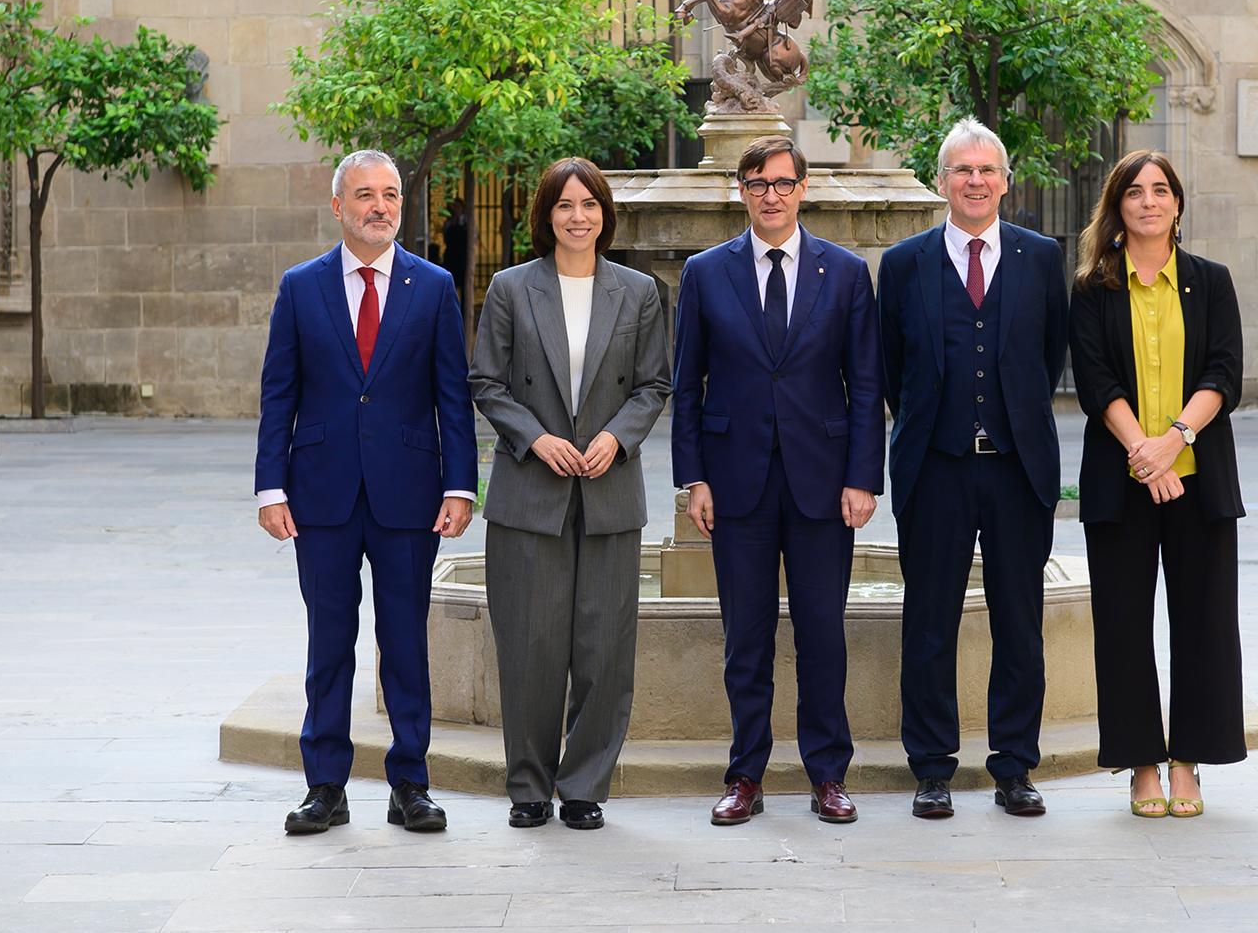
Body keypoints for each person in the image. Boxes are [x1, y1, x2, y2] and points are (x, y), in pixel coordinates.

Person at [255, 149, 476, 835]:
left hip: (409, 494)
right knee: (329, 641)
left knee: (405, 640)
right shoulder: (301, 287)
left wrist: (460, 484)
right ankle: (325, 786)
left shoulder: (433, 286)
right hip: (320, 493)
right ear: (338, 206)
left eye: (390, 195)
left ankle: (410, 783)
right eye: (364, 195)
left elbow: (452, 394)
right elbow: (278, 392)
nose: (380, 206)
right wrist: (269, 487)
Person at [671, 134, 883, 826]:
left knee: (823, 633)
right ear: (741, 191)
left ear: (803, 189)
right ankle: (745, 775)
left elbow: (866, 383)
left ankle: (828, 774)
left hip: (824, 483)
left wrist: (862, 477)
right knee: (746, 639)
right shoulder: (705, 272)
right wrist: (693, 478)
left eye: (783, 182)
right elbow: (687, 384)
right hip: (736, 484)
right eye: (758, 183)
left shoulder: (844, 273)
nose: (771, 195)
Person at [469, 157, 670, 831]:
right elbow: (487, 381)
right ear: (546, 215)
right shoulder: (511, 288)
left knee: (604, 649)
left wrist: (617, 436)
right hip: (531, 490)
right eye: (564, 205)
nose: (578, 216)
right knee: (530, 647)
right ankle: (528, 786)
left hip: (609, 488)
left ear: (604, 214)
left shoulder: (638, 292)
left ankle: (584, 786)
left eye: (589, 204)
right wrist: (536, 439)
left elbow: (654, 384)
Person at [878, 116, 1068, 820]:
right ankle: (931, 767)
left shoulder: (1041, 257)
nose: (976, 181)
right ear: (941, 181)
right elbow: (892, 369)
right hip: (936, 468)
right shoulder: (904, 264)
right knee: (929, 623)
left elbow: (1048, 357)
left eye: (987, 170)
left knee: (1019, 622)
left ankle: (1015, 765)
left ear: (1005, 181)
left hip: (1018, 469)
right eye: (963, 169)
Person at [1067, 150, 1246, 819]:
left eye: (1161, 190)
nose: (1149, 201)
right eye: (1135, 191)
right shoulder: (1093, 288)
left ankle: (1187, 761)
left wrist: (1172, 442)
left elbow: (1224, 372)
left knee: (1203, 625)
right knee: (1122, 626)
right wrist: (1143, 453)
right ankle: (1142, 764)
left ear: (1177, 204)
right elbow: (1095, 382)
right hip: (1121, 484)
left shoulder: (1210, 281)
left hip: (1199, 481)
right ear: (1118, 206)